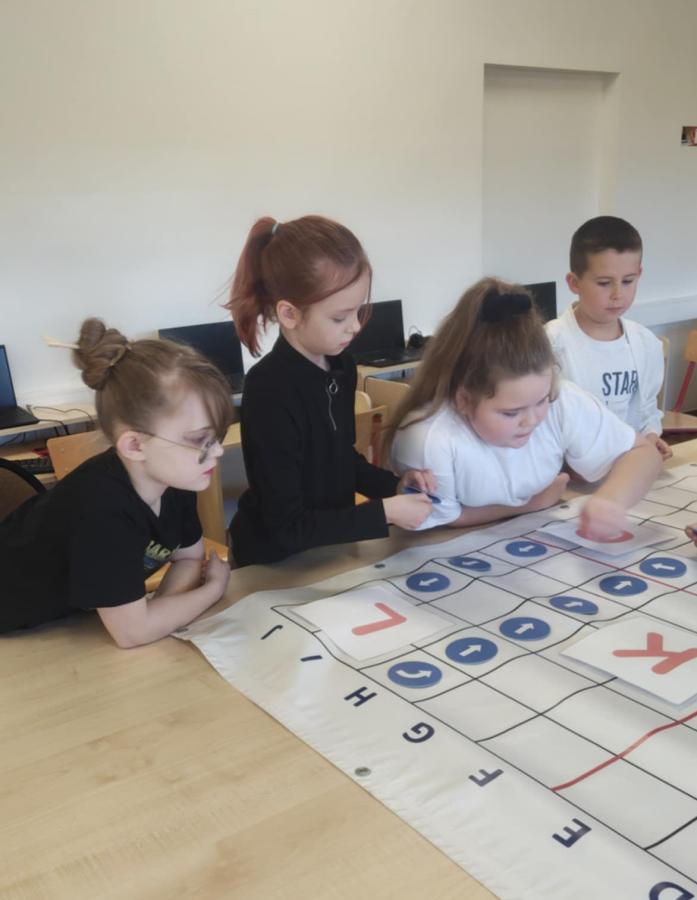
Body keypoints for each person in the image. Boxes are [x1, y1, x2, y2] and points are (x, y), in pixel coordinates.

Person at [0, 319, 235, 647]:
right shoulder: (102, 510)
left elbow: (189, 559)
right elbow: (131, 633)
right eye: (200, 440)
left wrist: (157, 613)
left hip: (62, 622)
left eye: (217, 437)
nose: (218, 451)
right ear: (135, 445)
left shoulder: (175, 480)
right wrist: (212, 590)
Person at [225, 215, 435, 566]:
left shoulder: (342, 366)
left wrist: (394, 486)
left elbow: (341, 461)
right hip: (274, 560)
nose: (355, 327)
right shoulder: (269, 389)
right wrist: (384, 512)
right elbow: (287, 526)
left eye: (359, 312)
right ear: (290, 314)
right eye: (340, 317)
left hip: (330, 548)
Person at [389, 278, 663, 538]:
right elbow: (444, 517)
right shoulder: (431, 437)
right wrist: (534, 502)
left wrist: (611, 500)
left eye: (542, 401)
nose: (531, 420)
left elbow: (643, 453)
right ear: (464, 400)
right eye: (511, 413)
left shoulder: (561, 399)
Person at [546, 215, 671, 460]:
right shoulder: (550, 344)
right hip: (570, 468)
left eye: (628, 281)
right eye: (604, 283)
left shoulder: (646, 344)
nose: (617, 294)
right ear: (574, 282)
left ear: (639, 274)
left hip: (630, 464)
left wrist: (650, 438)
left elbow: (646, 412)